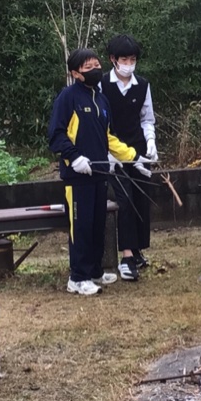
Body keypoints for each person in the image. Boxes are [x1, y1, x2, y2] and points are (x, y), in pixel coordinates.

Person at [48, 47, 145, 295]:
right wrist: (75, 157)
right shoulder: (68, 97)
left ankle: (94, 271)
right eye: (88, 67)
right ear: (75, 73)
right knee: (79, 227)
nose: (94, 70)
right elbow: (56, 136)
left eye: (96, 65)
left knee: (96, 225)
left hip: (100, 174)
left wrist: (133, 157)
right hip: (77, 177)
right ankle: (77, 277)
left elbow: (108, 137)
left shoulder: (101, 99)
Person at [100, 34, 158, 282]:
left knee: (141, 199)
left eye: (133, 59)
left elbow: (147, 119)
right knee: (124, 199)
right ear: (113, 60)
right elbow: (99, 122)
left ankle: (136, 250)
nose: (129, 64)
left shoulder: (142, 85)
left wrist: (151, 143)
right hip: (113, 151)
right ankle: (125, 256)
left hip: (138, 150)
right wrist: (106, 153)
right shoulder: (103, 85)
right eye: (124, 59)